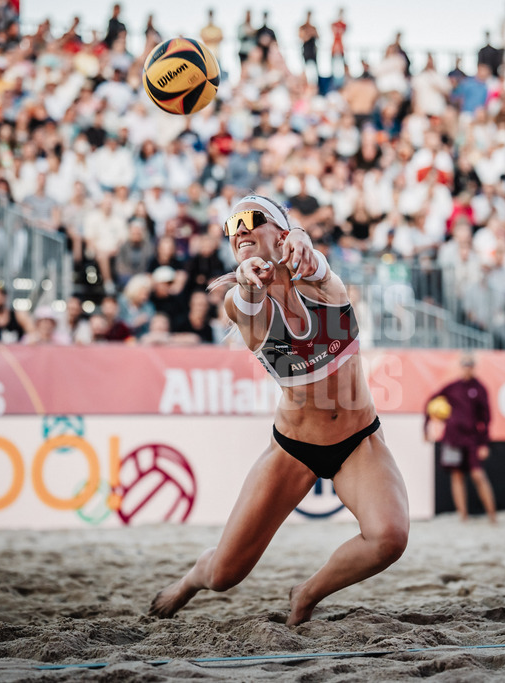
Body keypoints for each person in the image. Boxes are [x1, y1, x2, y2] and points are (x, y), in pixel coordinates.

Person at [149, 195, 408, 626]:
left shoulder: (326, 288)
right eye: (233, 226)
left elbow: (317, 267)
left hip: (358, 441)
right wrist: (248, 282)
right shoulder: (239, 301)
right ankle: (191, 578)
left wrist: (304, 239)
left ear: (282, 233)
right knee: (223, 576)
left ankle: (306, 594)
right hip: (292, 448)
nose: (240, 229)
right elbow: (246, 306)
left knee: (390, 538)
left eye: (252, 219)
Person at [423, 352, 497, 523]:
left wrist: (484, 443)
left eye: (470, 364)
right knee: (457, 476)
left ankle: (492, 517)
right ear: (461, 366)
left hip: (472, 439)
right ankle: (463, 517)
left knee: (478, 475)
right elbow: (430, 401)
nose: (467, 368)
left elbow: (486, 418)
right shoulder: (452, 387)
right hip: (452, 438)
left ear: (474, 367)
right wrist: (426, 426)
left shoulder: (480, 388)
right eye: (464, 364)